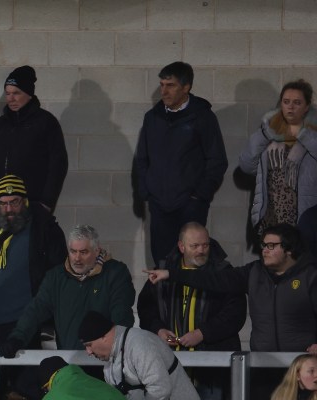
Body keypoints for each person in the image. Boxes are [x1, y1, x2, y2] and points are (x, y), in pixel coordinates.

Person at [137, 222, 246, 400]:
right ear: (181, 246)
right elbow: (145, 307)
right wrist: (157, 329)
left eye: (205, 245)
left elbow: (235, 314)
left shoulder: (223, 272)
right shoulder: (162, 272)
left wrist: (203, 333)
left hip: (210, 369)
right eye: (194, 245)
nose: (201, 250)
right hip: (172, 369)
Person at [144, 223, 317, 353]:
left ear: (289, 250)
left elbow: (233, 313)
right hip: (264, 365)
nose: (265, 250)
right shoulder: (253, 272)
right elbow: (214, 279)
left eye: (271, 246)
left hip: (303, 364)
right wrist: (171, 274)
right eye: (264, 245)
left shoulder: (310, 275)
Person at [133, 61, 228, 264]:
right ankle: (165, 297)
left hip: (190, 205)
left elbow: (217, 160)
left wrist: (199, 195)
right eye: (162, 85)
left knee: (192, 261)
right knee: (162, 261)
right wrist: (146, 191)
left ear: (186, 87)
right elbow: (142, 158)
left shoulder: (203, 117)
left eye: (171, 85)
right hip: (159, 204)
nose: (164, 91)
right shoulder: (152, 118)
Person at [0, 224, 135, 356]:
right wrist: (17, 338)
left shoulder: (115, 273)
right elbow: (36, 310)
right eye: (73, 251)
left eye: (83, 252)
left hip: (105, 361)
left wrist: (117, 348)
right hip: (70, 361)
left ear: (97, 251)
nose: (77, 258)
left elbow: (122, 314)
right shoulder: (55, 277)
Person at [0, 174, 67, 348]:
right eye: (3, 203)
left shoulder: (45, 230)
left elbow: (58, 274)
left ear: (25, 201)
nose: (9, 209)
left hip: (26, 324)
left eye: (14, 202)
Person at [0, 65, 69, 213]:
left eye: (16, 93)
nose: (11, 98)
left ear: (29, 94)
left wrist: (46, 202)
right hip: (1, 203)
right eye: (7, 93)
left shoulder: (45, 122)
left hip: (33, 203)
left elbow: (58, 165)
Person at [239, 79, 317, 236]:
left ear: (306, 107)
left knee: (303, 259)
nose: (290, 106)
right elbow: (247, 166)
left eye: (297, 102)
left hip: (304, 217)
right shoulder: (268, 132)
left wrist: (302, 136)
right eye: (286, 101)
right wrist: (265, 136)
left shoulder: (312, 135)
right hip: (272, 216)